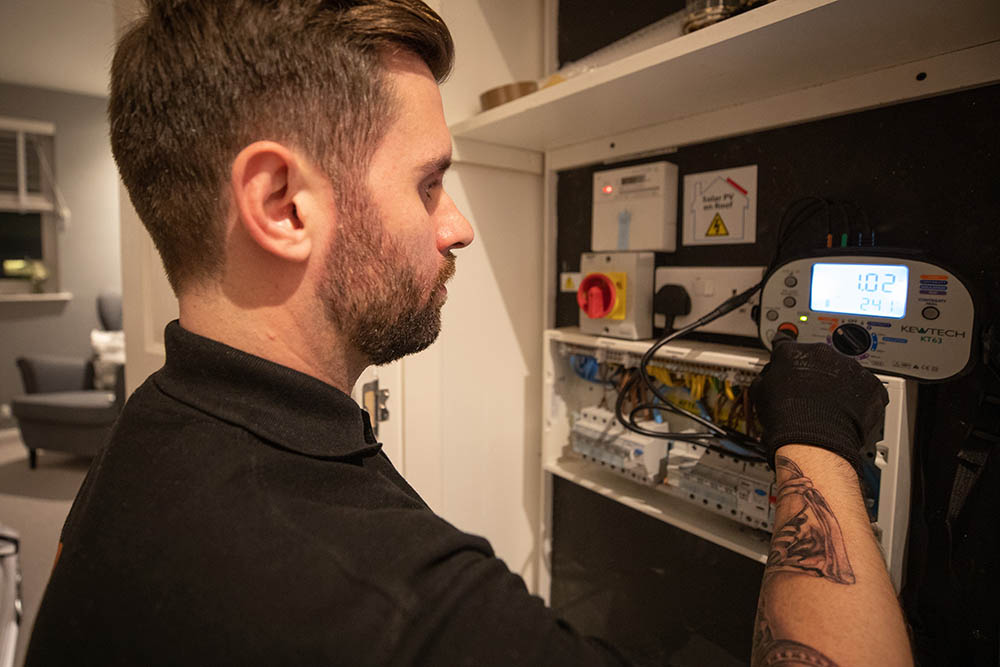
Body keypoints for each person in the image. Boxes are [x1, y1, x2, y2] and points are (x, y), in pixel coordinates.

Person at [25, 1, 912, 664]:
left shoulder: (145, 435)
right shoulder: (397, 606)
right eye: (426, 183)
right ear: (281, 205)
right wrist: (818, 433)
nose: (457, 225)